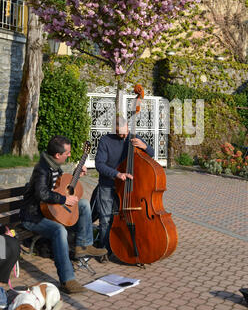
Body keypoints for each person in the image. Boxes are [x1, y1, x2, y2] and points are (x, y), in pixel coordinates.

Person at [20, 135, 107, 294]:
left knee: (83, 204)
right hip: (33, 217)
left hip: (48, 211)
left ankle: (83, 245)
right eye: (67, 153)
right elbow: (41, 194)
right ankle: (67, 280)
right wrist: (63, 199)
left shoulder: (54, 166)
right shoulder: (42, 169)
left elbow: (59, 186)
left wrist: (76, 175)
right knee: (59, 231)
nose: (69, 155)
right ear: (57, 155)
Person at [94, 116, 154, 259]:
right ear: (114, 130)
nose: (124, 136)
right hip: (108, 185)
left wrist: (144, 146)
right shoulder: (105, 141)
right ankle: (104, 250)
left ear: (128, 127)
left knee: (127, 218)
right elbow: (99, 165)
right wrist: (116, 174)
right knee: (106, 219)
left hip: (127, 188)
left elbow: (151, 155)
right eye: (120, 133)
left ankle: (124, 247)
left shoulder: (133, 137)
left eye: (125, 132)